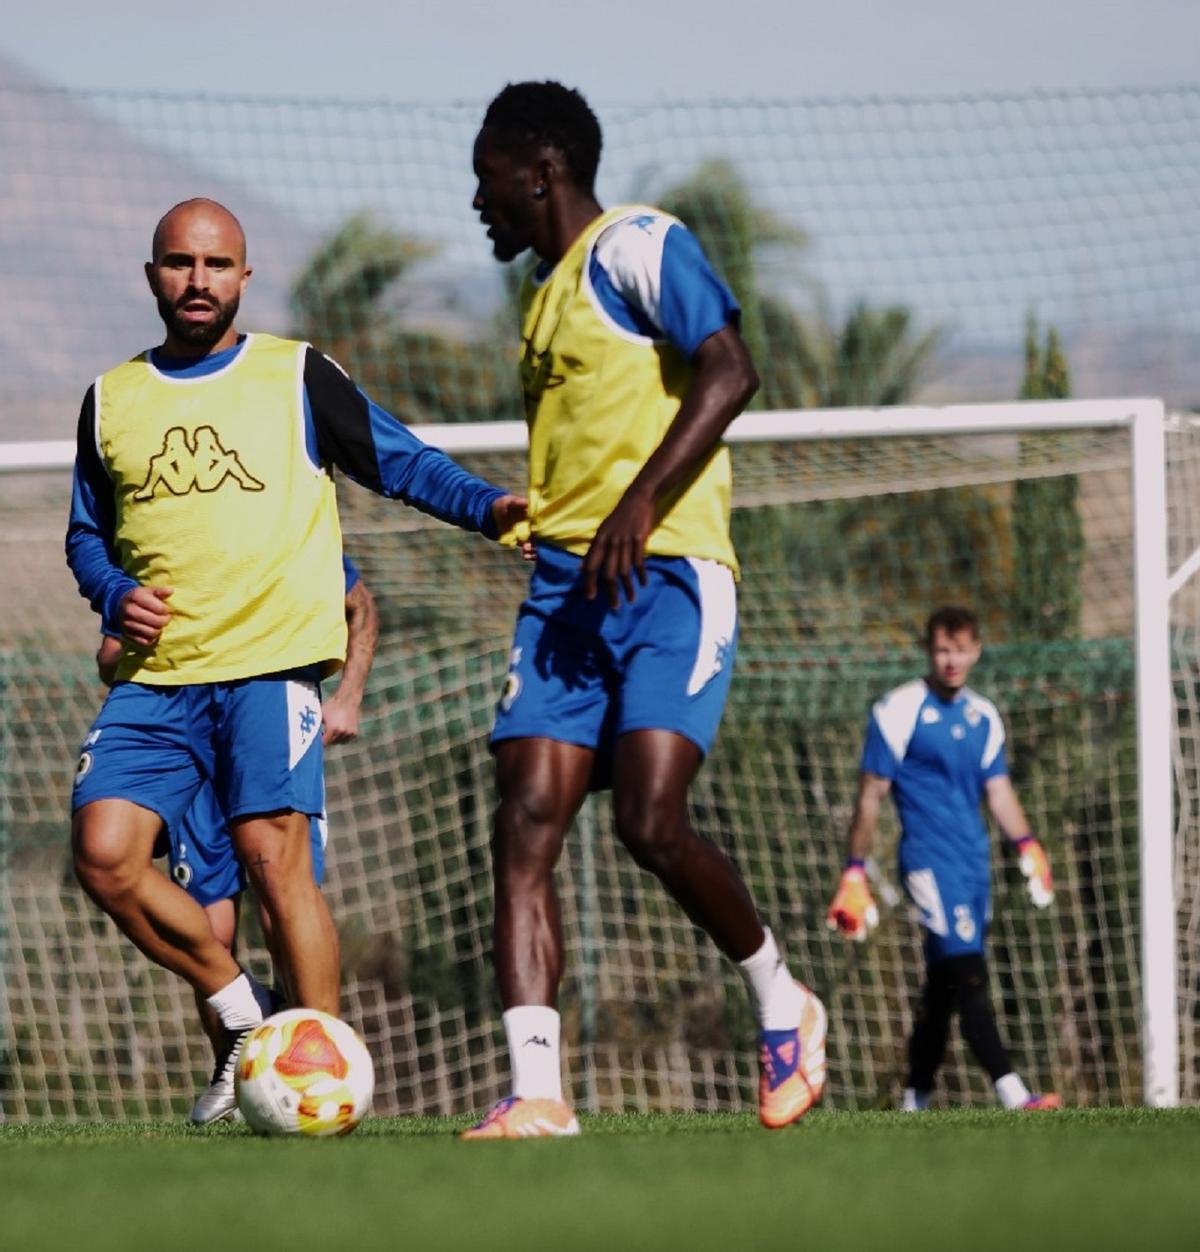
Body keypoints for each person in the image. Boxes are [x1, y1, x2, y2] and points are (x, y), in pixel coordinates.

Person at [66, 197, 525, 1119]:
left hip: (271, 668)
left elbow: (399, 462)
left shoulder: (295, 375)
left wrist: (486, 509)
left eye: (216, 265)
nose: (198, 281)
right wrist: (116, 594)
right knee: (105, 855)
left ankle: (322, 1079)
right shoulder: (110, 399)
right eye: (179, 264)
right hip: (158, 679)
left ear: (244, 276)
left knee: (276, 869)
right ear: (152, 274)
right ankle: (244, 1018)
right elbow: (87, 538)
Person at [462, 81, 825, 1140]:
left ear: (542, 169)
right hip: (564, 597)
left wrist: (638, 499)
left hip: (669, 575)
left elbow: (731, 369)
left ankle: (781, 999)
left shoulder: (639, 246)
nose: (478, 202)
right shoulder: (543, 293)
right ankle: (538, 1094)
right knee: (524, 825)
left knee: (649, 822)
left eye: (487, 179)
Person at [93, 555, 378, 1123]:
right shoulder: (161, 545)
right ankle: (239, 1064)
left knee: (281, 897)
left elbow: (360, 607)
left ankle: (318, 1070)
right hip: (188, 732)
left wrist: (348, 695)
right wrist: (136, 631)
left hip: (264, 715)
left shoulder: (279, 526)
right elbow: (107, 657)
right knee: (211, 926)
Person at [826, 605, 1061, 1112]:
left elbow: (998, 792)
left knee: (944, 987)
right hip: (929, 862)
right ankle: (1013, 1093)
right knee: (969, 972)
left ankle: (915, 1099)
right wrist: (854, 872)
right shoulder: (898, 710)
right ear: (928, 651)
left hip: (974, 865)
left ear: (976, 650)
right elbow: (871, 794)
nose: (951, 660)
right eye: (941, 650)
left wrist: (1028, 846)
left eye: (960, 649)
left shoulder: (983, 716)